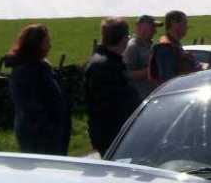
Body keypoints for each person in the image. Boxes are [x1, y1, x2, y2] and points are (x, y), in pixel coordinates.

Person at [4, 24, 71, 155]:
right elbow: (34, 106)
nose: (50, 46)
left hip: (43, 134)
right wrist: (52, 128)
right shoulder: (29, 71)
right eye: (46, 42)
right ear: (35, 44)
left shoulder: (36, 68)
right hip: (40, 137)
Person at [85, 18, 142, 155]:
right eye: (128, 36)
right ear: (123, 39)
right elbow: (109, 108)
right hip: (114, 138)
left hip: (120, 135)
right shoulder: (103, 66)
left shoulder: (111, 61)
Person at [149, 10, 202, 86]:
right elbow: (167, 81)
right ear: (174, 24)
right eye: (184, 23)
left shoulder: (174, 45)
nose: (187, 27)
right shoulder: (165, 47)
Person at [123, 14, 160, 99]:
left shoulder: (150, 45)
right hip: (139, 98)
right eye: (153, 27)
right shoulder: (133, 47)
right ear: (142, 27)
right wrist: (151, 69)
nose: (155, 31)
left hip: (151, 96)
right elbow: (127, 75)